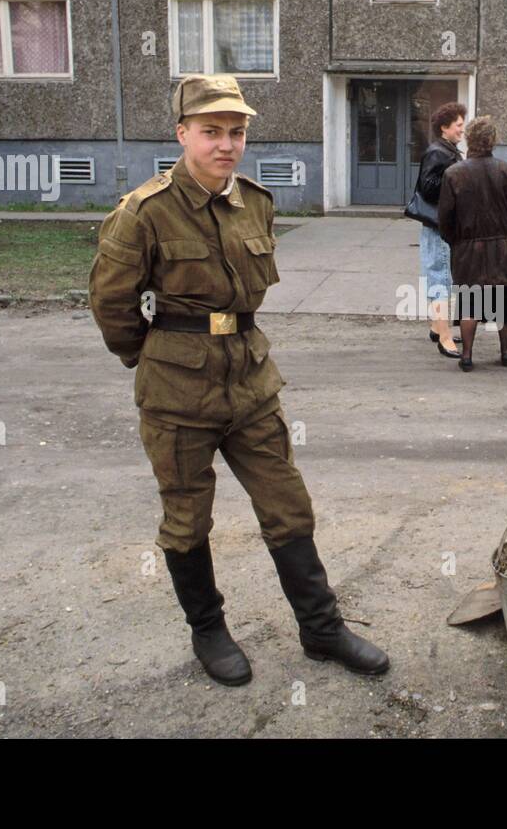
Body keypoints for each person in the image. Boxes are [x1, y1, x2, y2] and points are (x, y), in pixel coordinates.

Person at [88, 74, 389, 686]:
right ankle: (209, 631)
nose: (225, 145)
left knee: (288, 506)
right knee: (188, 519)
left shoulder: (254, 201)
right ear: (183, 135)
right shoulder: (143, 213)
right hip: (178, 393)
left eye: (236, 132)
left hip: (250, 382)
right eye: (211, 132)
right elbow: (111, 305)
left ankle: (321, 629)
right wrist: (154, 358)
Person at [437, 115, 507, 372]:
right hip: (502, 247)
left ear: (469, 139)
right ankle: (505, 351)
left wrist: (455, 242)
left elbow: (444, 218)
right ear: (492, 140)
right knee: (502, 301)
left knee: (469, 303)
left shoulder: (453, 174)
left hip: (467, 249)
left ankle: (467, 355)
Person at [414, 101, 466, 358]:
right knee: (439, 281)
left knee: (441, 277)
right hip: (438, 226)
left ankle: (437, 327)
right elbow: (428, 187)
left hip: (442, 226)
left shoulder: (447, 151)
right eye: (458, 125)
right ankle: (444, 338)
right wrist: (455, 173)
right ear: (444, 127)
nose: (462, 129)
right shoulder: (439, 153)